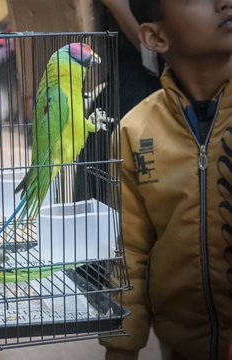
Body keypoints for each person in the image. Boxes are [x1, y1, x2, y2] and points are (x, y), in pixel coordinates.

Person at [100, 0, 232, 359]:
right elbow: (130, 253)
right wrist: (121, 348)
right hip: (179, 345)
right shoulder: (135, 131)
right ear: (155, 36)